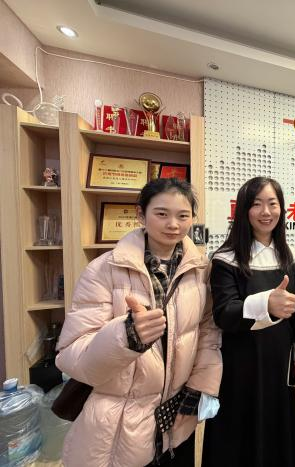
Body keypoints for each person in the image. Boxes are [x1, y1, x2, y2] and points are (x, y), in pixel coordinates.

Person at [55, 178, 222, 467]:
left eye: (183, 215)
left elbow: (207, 332)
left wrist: (199, 385)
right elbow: (71, 355)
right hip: (117, 423)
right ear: (140, 215)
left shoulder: (200, 270)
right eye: (162, 214)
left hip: (176, 419)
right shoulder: (103, 270)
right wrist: (127, 335)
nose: (173, 224)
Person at [202, 176, 295, 467]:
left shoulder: (289, 256)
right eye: (257, 204)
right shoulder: (225, 258)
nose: (266, 212)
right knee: (240, 438)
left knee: (276, 433)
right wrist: (267, 304)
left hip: (279, 360)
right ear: (244, 210)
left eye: (272, 204)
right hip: (240, 363)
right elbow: (224, 313)